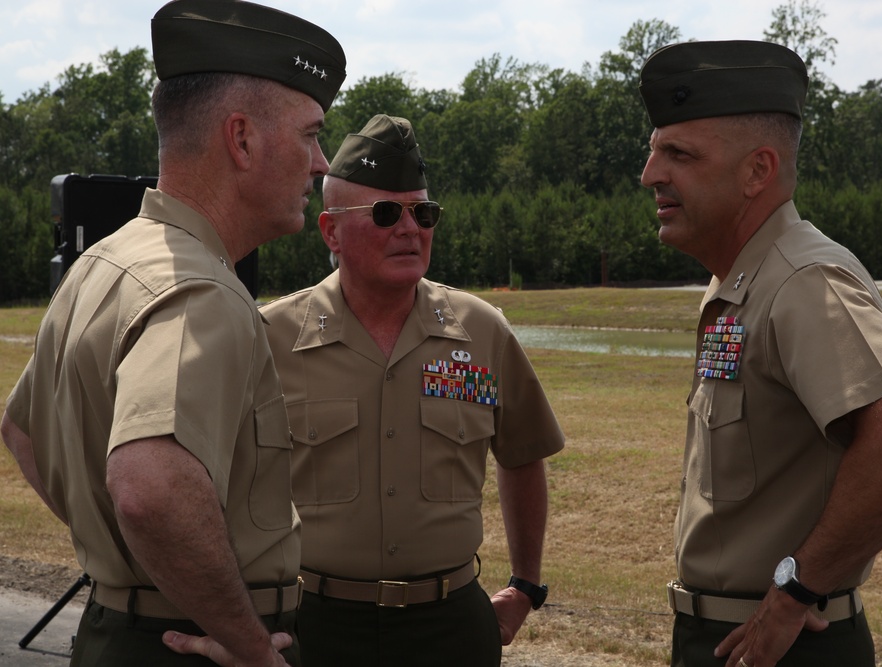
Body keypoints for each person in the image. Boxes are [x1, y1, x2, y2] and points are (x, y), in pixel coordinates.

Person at [0, 1, 346, 665]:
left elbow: (22, 431)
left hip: (121, 631)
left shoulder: (106, 261)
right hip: (195, 644)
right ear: (241, 139)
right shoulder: (202, 291)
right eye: (310, 135)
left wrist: (132, 561)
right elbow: (151, 489)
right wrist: (250, 646)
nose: (322, 163)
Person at [637, 41, 882, 667]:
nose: (650, 174)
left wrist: (794, 592)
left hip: (786, 645)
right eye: (653, 151)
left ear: (758, 170)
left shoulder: (800, 280)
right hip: (732, 637)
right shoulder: (743, 280)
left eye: (678, 154)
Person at [258, 114, 565, 666]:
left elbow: (523, 455)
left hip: (450, 627)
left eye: (423, 212)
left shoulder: (481, 331)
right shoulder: (272, 337)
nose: (410, 228)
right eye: (384, 213)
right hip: (315, 626)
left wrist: (525, 586)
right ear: (331, 231)